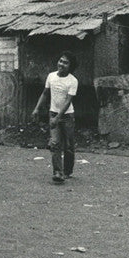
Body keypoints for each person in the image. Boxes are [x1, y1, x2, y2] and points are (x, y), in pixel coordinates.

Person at [32, 51, 79, 184]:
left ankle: (67, 170)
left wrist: (58, 117)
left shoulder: (73, 81)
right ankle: (58, 172)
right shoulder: (51, 76)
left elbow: (68, 101)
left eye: (65, 62)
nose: (61, 64)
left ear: (70, 66)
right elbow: (45, 94)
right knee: (55, 143)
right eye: (60, 61)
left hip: (67, 116)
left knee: (69, 146)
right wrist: (36, 109)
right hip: (53, 114)